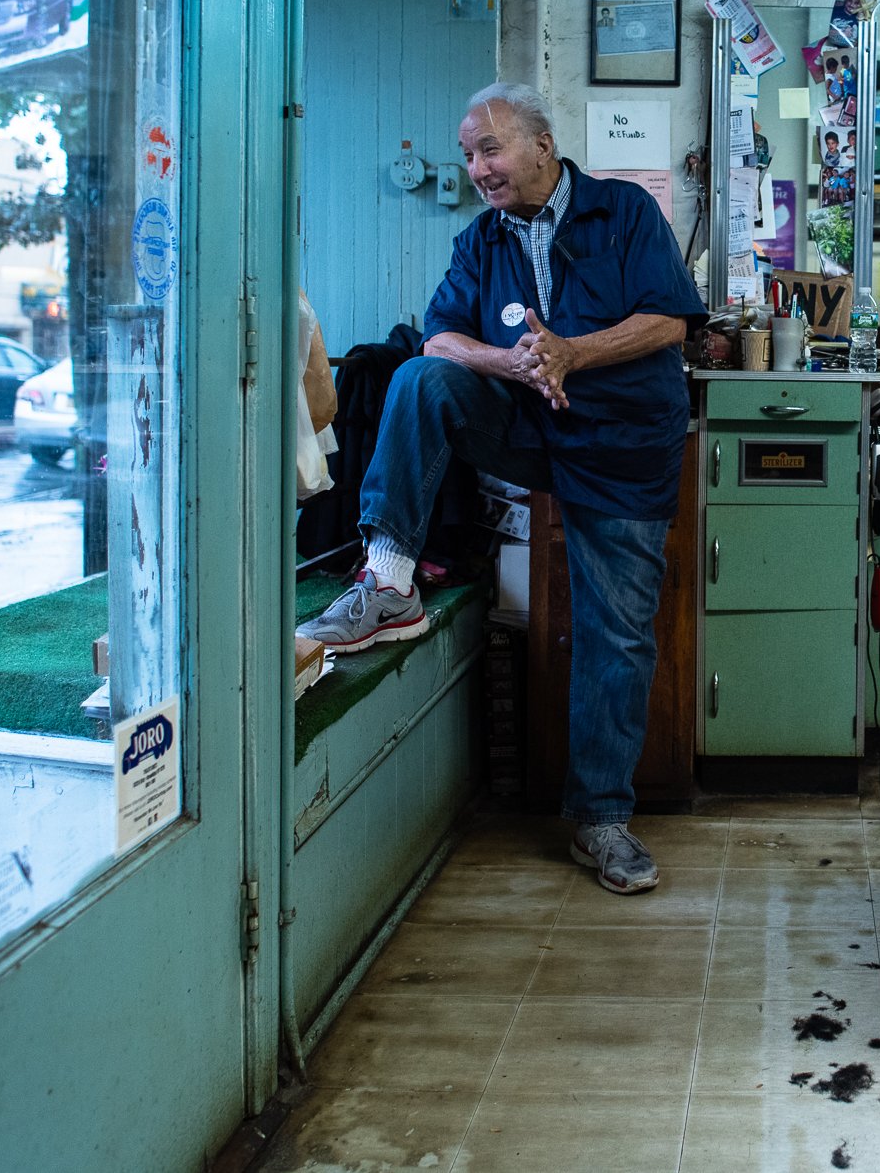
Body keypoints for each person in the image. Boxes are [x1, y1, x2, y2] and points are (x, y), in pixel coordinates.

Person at [296, 82, 706, 895]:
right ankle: (388, 579)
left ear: (543, 146)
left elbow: (670, 320)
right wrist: (512, 361)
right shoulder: (482, 239)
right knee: (420, 375)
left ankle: (601, 819)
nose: (477, 167)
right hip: (526, 425)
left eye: (490, 148)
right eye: (469, 154)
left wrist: (570, 354)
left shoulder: (624, 212)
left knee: (616, 634)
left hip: (621, 442)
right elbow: (447, 332)